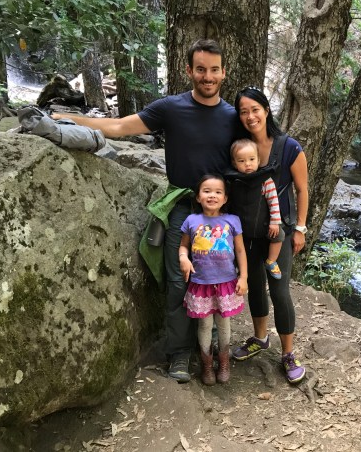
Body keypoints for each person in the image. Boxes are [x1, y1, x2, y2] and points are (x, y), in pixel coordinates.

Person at [53, 39, 245, 383]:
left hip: (219, 216)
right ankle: (180, 352)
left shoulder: (233, 117)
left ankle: (215, 343)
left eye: (214, 70)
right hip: (181, 208)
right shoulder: (171, 108)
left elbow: (260, 148)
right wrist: (67, 119)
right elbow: (120, 126)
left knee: (219, 278)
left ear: (224, 73)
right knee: (178, 280)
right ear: (189, 70)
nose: (208, 76)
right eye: (201, 69)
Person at [230, 86, 308, 384]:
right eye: (244, 112)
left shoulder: (289, 147)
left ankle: (288, 353)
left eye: (255, 110)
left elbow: (302, 189)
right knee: (254, 285)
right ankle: (260, 338)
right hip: (249, 233)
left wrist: (300, 228)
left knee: (279, 290)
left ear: (266, 110)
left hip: (280, 232)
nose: (250, 116)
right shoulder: (240, 147)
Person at [179, 174, 247, 385]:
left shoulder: (232, 220)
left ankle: (224, 361)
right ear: (198, 197)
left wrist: (243, 277)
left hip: (226, 283)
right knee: (205, 325)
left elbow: (240, 250)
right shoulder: (191, 221)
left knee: (224, 324)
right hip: (201, 284)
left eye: (218, 192)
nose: (212, 196)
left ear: (225, 198)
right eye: (206, 191)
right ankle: (207, 364)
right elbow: (183, 246)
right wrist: (183, 258)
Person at [229, 138, 284, 280]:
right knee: (235, 243)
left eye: (251, 159)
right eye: (241, 161)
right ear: (234, 163)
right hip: (241, 227)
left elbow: (273, 202)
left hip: (263, 224)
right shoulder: (233, 181)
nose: (247, 164)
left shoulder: (265, 180)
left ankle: (271, 261)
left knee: (279, 235)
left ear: (259, 160)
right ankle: (235, 266)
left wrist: (275, 222)